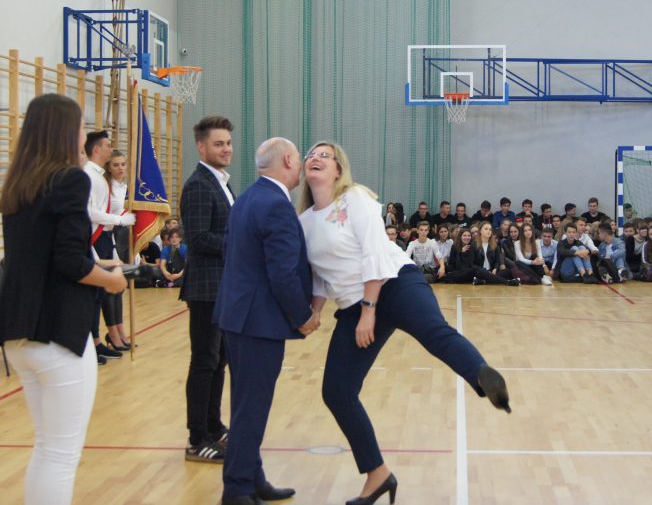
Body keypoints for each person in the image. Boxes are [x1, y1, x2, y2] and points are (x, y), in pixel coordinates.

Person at [298, 141, 510, 505]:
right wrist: (316, 310)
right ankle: (378, 475)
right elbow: (320, 274)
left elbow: (374, 252)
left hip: (395, 283)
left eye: (325, 155)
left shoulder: (355, 198)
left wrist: (369, 310)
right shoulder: (304, 221)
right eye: (311, 155)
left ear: (338, 170)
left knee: (434, 332)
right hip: (353, 305)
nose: (315, 158)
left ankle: (482, 377)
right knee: (337, 391)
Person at [0, 94, 126, 505]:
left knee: (47, 448)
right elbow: (68, 261)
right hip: (58, 330)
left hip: (19, 329)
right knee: (61, 454)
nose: (84, 135)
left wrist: (95, 262)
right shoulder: (71, 179)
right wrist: (111, 281)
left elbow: (43, 252)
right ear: (65, 131)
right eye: (81, 126)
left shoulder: (20, 183)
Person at [214, 138, 313, 505]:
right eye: (299, 158)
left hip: (238, 316)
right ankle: (237, 488)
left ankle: (252, 479)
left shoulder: (246, 198)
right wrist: (302, 316)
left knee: (245, 404)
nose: (301, 166)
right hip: (258, 322)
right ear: (287, 160)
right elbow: (283, 273)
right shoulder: (276, 205)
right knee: (252, 407)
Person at [180, 116, 235, 463]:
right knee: (204, 362)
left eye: (228, 143)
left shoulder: (221, 182)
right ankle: (197, 437)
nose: (226, 149)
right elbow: (198, 239)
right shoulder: (199, 185)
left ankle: (213, 427)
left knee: (218, 360)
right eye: (219, 144)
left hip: (223, 287)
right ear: (201, 147)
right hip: (205, 288)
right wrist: (240, 244)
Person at [83, 131, 135, 364]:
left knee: (101, 293)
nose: (110, 149)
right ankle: (93, 341)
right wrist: (119, 220)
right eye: (106, 145)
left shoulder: (97, 176)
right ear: (96, 149)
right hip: (95, 237)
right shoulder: (90, 176)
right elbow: (90, 213)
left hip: (105, 237)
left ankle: (97, 341)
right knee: (95, 293)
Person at [102, 149, 133, 350]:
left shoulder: (124, 187)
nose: (120, 168)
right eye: (116, 165)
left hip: (120, 237)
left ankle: (121, 330)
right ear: (108, 167)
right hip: (105, 236)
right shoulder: (106, 186)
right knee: (109, 287)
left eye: (123, 164)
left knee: (120, 286)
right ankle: (112, 333)